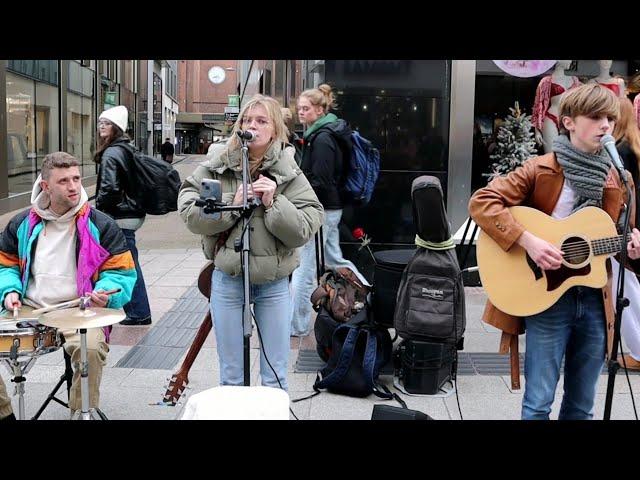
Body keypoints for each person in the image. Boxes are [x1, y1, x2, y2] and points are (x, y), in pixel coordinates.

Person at [469, 83, 640, 420]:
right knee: (538, 404)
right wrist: (529, 240)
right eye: (595, 117)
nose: (606, 125)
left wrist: (632, 247)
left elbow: (618, 242)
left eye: (609, 117)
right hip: (547, 298)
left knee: (581, 406)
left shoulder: (620, 179)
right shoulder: (541, 168)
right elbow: (482, 202)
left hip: (595, 300)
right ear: (569, 122)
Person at [178, 94, 323, 390]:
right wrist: (233, 202)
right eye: (246, 120)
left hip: (274, 283)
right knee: (231, 375)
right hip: (228, 279)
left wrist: (274, 203)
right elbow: (190, 213)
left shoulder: (288, 171)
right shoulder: (217, 165)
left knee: (275, 374)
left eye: (261, 121)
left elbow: (307, 227)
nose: (252, 126)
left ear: (274, 130)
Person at [0, 152, 136, 420]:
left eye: (76, 178)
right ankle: (5, 414)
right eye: (64, 181)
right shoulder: (22, 224)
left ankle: (80, 413)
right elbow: (6, 264)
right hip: (30, 308)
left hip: (79, 309)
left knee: (92, 350)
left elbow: (122, 272)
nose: (74, 186)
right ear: (45, 186)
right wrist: (10, 291)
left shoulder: (100, 224)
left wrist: (106, 294)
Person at [289, 85, 370, 337]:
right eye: (299, 108)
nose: (300, 112)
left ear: (320, 109)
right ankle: (371, 293)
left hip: (321, 210)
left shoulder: (323, 138)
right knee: (334, 259)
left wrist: (296, 186)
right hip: (330, 208)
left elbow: (321, 180)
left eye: (306, 108)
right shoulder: (324, 133)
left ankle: (297, 325)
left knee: (304, 267)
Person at [94, 105, 152, 326]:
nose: (101, 126)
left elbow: (109, 189)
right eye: (100, 122)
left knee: (127, 265)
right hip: (132, 213)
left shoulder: (111, 152)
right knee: (128, 262)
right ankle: (137, 310)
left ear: (116, 127)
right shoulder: (128, 148)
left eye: (106, 123)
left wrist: (99, 211)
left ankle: (138, 312)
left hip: (119, 215)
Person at [610, 96, 640, 370]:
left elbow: (621, 194)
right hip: (634, 225)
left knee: (622, 284)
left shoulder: (619, 150)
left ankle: (638, 351)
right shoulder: (635, 145)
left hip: (626, 227)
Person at [532, 60, 581, 154]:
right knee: (550, 155)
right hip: (551, 118)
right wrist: (537, 131)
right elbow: (538, 105)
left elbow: (580, 103)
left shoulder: (575, 80)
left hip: (569, 120)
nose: (570, 61)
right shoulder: (546, 81)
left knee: (569, 155)